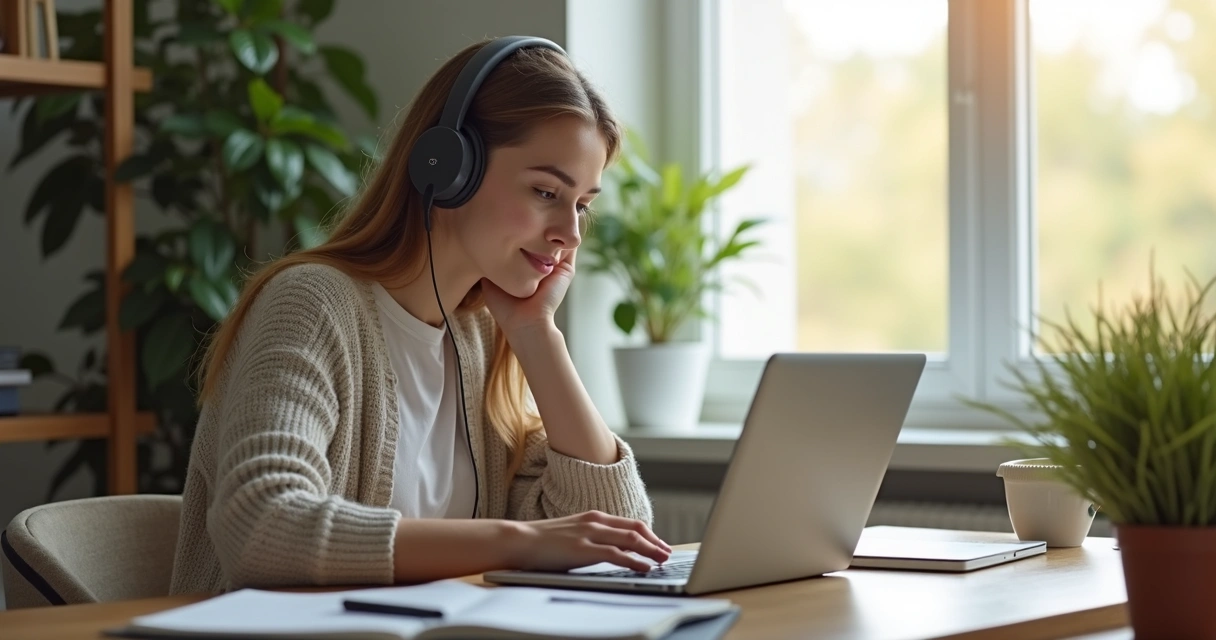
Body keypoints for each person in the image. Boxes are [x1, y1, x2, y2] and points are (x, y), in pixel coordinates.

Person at [169, 37, 672, 595]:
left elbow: (618, 537)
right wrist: (518, 541)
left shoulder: (483, 336)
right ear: (450, 167)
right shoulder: (313, 305)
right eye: (546, 191)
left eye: (582, 204)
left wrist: (537, 335)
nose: (570, 233)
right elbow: (263, 526)